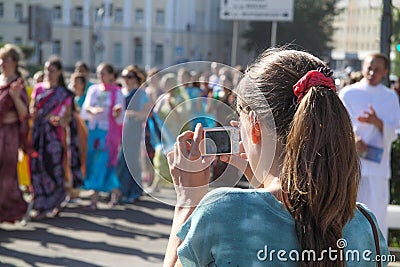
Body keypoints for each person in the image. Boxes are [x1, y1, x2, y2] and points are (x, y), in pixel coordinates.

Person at [164, 48, 390, 266]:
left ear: (254, 125)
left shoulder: (221, 210)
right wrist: (263, 185)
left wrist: (187, 201)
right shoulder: (364, 225)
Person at [339, 53, 400, 239]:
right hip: (351, 165)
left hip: (378, 169)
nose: (372, 72)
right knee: (348, 213)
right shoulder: (348, 93)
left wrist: (377, 122)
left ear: (386, 72)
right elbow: (339, 123)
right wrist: (353, 138)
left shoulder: (390, 97)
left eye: (377, 69)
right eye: (369, 67)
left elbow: (396, 131)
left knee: (376, 215)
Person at [30, 56, 83, 220]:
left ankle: (55, 202)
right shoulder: (39, 88)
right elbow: (32, 110)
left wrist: (60, 120)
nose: (48, 73)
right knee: (37, 168)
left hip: (55, 135)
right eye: (47, 70)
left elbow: (68, 117)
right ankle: (40, 204)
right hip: (38, 133)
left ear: (59, 72)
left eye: (52, 70)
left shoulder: (64, 93)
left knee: (54, 167)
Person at [81, 62, 124, 209]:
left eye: (104, 73)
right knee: (93, 161)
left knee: (102, 162)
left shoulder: (117, 92)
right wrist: (92, 110)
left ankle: (94, 200)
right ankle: (115, 190)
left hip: (108, 133)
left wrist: (117, 112)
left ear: (112, 75)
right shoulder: (93, 89)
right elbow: (86, 107)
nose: (101, 76)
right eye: (99, 73)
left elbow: (120, 113)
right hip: (94, 129)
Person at [0, 43, 30, 223]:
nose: (2, 63)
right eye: (1, 59)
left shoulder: (17, 83)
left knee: (7, 174)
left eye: (6, 59)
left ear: (15, 62)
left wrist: (15, 97)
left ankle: (17, 208)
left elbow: (24, 113)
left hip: (9, 135)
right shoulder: (0, 79)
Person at [116, 65, 151, 203]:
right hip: (118, 130)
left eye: (129, 77)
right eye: (124, 76)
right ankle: (120, 190)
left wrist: (129, 114)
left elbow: (146, 113)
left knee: (129, 160)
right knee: (119, 161)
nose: (126, 79)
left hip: (133, 130)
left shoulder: (141, 94)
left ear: (136, 79)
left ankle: (132, 191)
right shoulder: (120, 92)